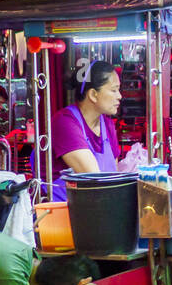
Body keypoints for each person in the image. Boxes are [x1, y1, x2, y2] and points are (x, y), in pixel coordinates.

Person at [50, 60, 123, 201]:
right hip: (63, 211)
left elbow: (114, 177)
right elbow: (93, 177)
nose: (119, 96)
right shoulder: (65, 122)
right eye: (114, 90)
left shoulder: (107, 125)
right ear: (93, 95)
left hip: (96, 206)